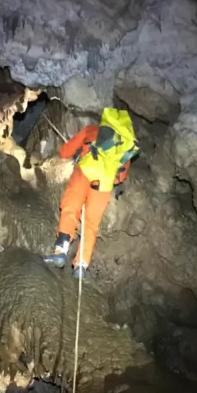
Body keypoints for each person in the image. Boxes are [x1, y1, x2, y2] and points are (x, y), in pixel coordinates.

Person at [43, 108, 139, 279]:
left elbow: (65, 151)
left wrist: (76, 155)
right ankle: (81, 266)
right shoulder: (124, 146)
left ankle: (60, 251)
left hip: (85, 171)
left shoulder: (91, 130)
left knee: (71, 207)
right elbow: (121, 175)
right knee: (91, 225)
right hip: (104, 183)